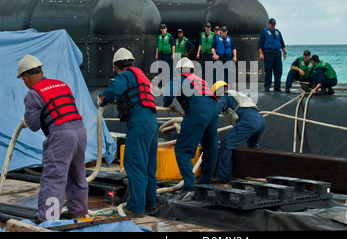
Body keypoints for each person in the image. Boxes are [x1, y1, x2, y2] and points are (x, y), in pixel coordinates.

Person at [17, 55, 88, 223]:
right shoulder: (62, 84)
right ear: (41, 71)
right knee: (78, 176)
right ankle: (78, 213)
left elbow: (33, 124)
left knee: (53, 179)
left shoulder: (33, 94)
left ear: (26, 78)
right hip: (80, 132)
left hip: (61, 136)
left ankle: (48, 220)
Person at [98, 48, 158, 217]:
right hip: (151, 122)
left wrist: (101, 98)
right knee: (148, 167)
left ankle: (136, 207)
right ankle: (149, 204)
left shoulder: (124, 75)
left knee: (134, 163)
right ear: (132, 62)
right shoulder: (142, 77)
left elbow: (114, 90)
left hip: (138, 121)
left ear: (116, 67)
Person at [163, 57, 219, 191]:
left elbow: (167, 97)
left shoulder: (178, 79)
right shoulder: (201, 80)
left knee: (182, 150)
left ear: (178, 71)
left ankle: (189, 186)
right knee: (210, 150)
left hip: (198, 111)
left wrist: (167, 104)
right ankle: (205, 185)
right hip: (213, 111)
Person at [212, 81, 266, 182]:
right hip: (260, 119)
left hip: (249, 120)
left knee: (226, 143)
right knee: (253, 145)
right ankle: (255, 174)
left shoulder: (225, 96)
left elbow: (217, 109)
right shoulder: (238, 94)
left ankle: (224, 177)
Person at [258, 18, 287, 92]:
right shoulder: (264, 32)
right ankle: (267, 86)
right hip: (268, 53)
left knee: (278, 70)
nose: (273, 26)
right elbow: (260, 44)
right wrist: (261, 53)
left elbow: (282, 43)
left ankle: (277, 87)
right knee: (268, 70)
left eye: (274, 24)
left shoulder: (278, 32)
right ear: (269, 24)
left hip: (277, 53)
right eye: (272, 24)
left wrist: (284, 52)